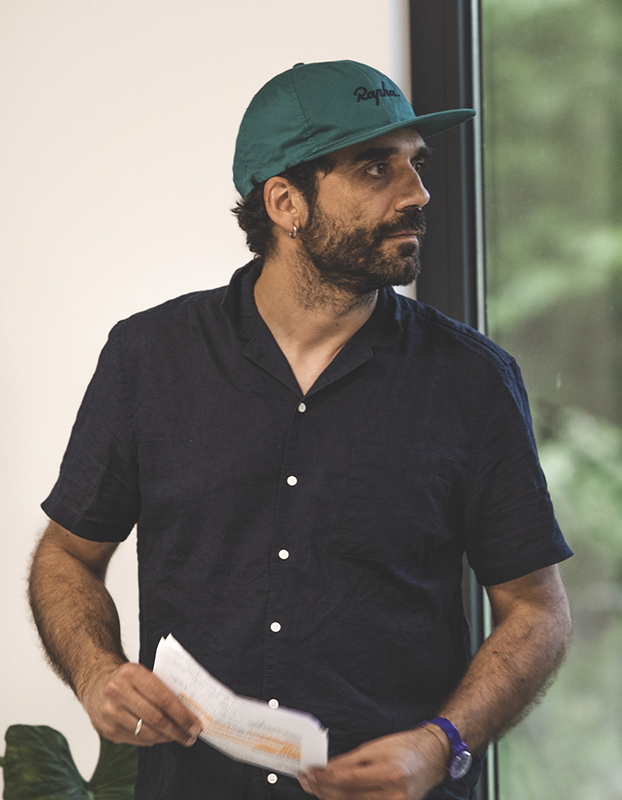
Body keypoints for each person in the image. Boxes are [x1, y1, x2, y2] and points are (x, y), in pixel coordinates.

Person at [28, 60, 572, 800]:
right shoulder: (149, 358)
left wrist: (442, 743)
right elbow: (66, 555)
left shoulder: (473, 380)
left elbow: (536, 610)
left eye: (416, 164)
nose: (417, 193)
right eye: (377, 168)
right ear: (286, 202)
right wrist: (98, 673)